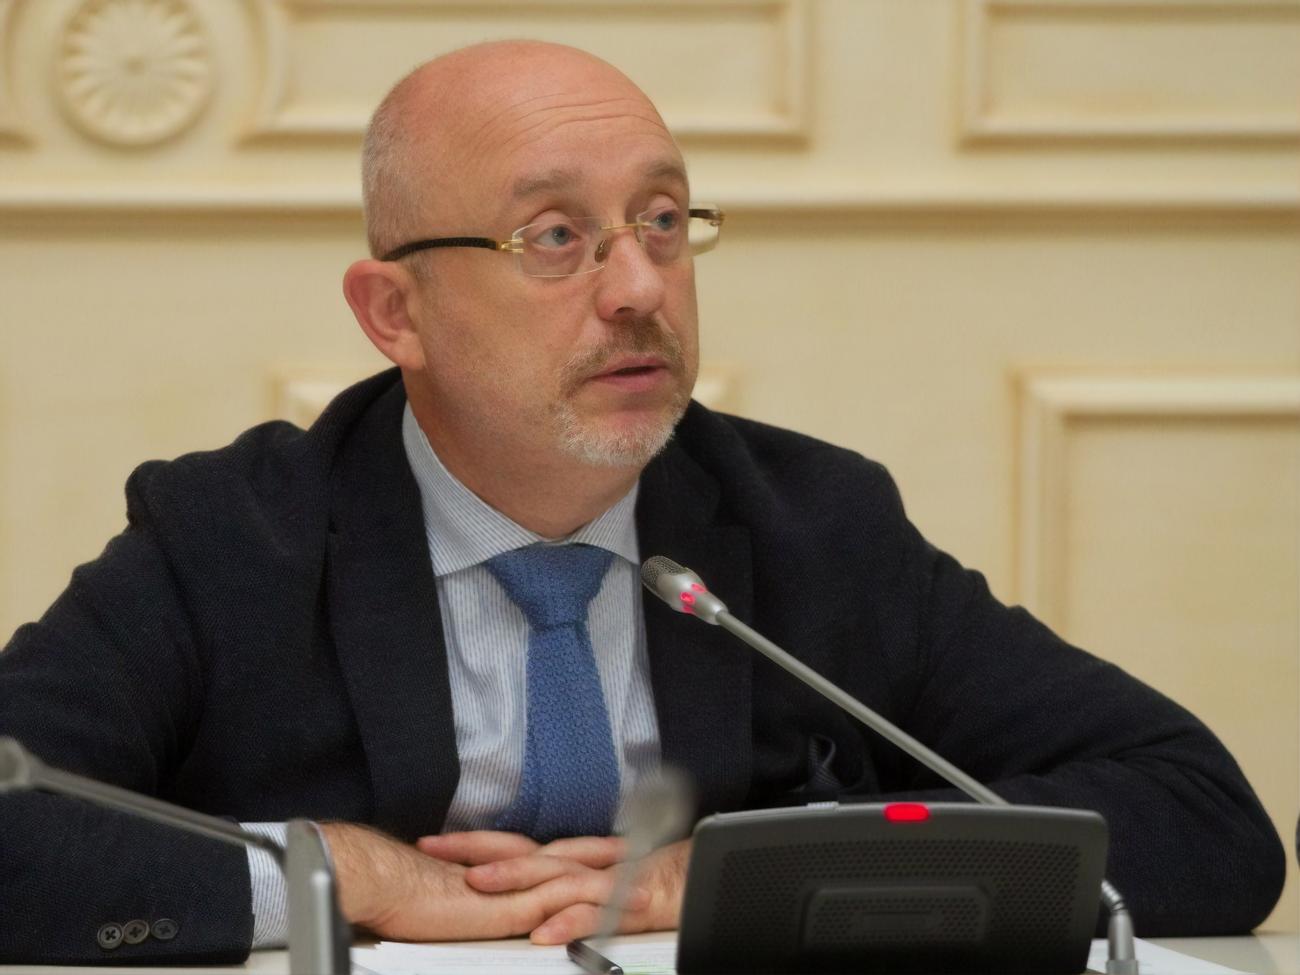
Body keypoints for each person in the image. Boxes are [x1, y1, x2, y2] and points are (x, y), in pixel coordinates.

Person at [0, 40, 1284, 966]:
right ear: (397, 314)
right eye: (554, 237)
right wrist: (334, 873)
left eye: (662, 221)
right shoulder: (232, 539)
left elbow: (1199, 814)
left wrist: (733, 879)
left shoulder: (813, 525)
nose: (637, 289)